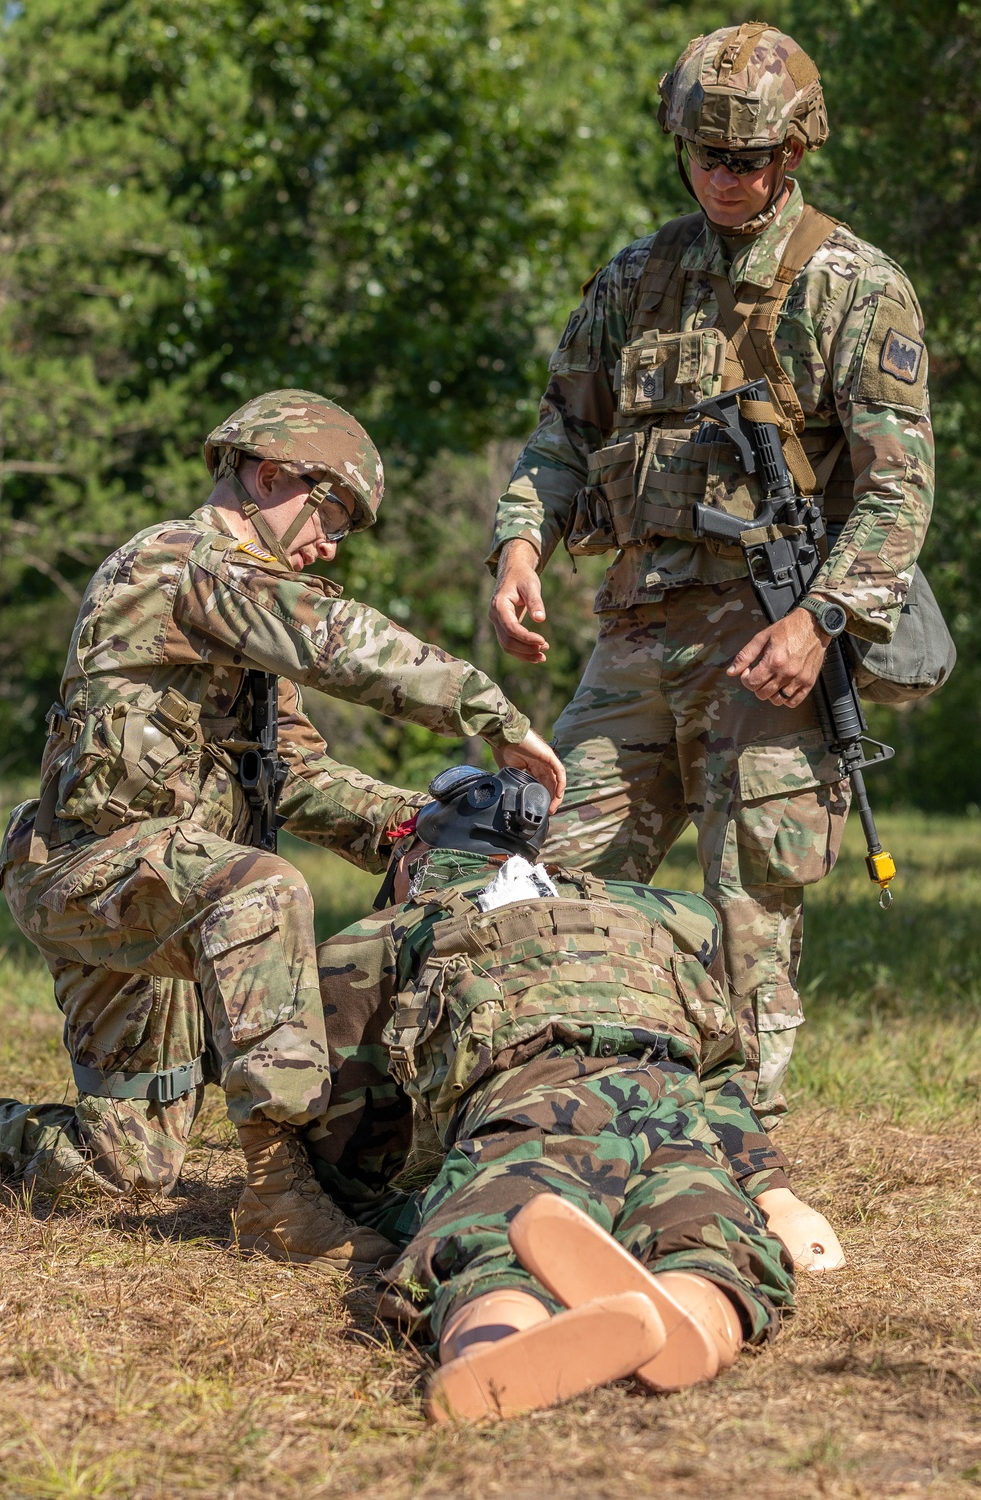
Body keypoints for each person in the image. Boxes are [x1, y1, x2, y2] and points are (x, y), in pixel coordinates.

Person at [0, 389, 564, 1272]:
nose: (331, 545)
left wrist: (415, 824)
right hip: (89, 872)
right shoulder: (181, 565)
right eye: (332, 513)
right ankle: (277, 1191)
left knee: (123, 1170)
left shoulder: (244, 623)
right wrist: (489, 711)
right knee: (264, 887)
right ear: (270, 477)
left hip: (173, 892)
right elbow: (338, 638)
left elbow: (292, 772)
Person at [486, 23, 934, 1121]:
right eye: (706, 157)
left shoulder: (852, 286)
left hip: (771, 632)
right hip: (639, 631)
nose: (725, 178)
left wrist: (821, 621)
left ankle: (739, 1139)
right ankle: (556, 1092)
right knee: (548, 865)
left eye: (747, 159)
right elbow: (562, 432)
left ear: (793, 153)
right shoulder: (636, 276)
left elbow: (894, 491)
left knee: (750, 896)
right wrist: (518, 542)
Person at [306, 765, 842, 1422]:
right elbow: (718, 1072)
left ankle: (501, 1340)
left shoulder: (378, 938)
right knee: (708, 1235)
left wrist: (411, 1211)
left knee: (487, 1242)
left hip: (532, 1109)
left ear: (416, 856)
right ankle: (696, 1317)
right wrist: (771, 1192)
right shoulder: (669, 914)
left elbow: (352, 1147)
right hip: (669, 1100)